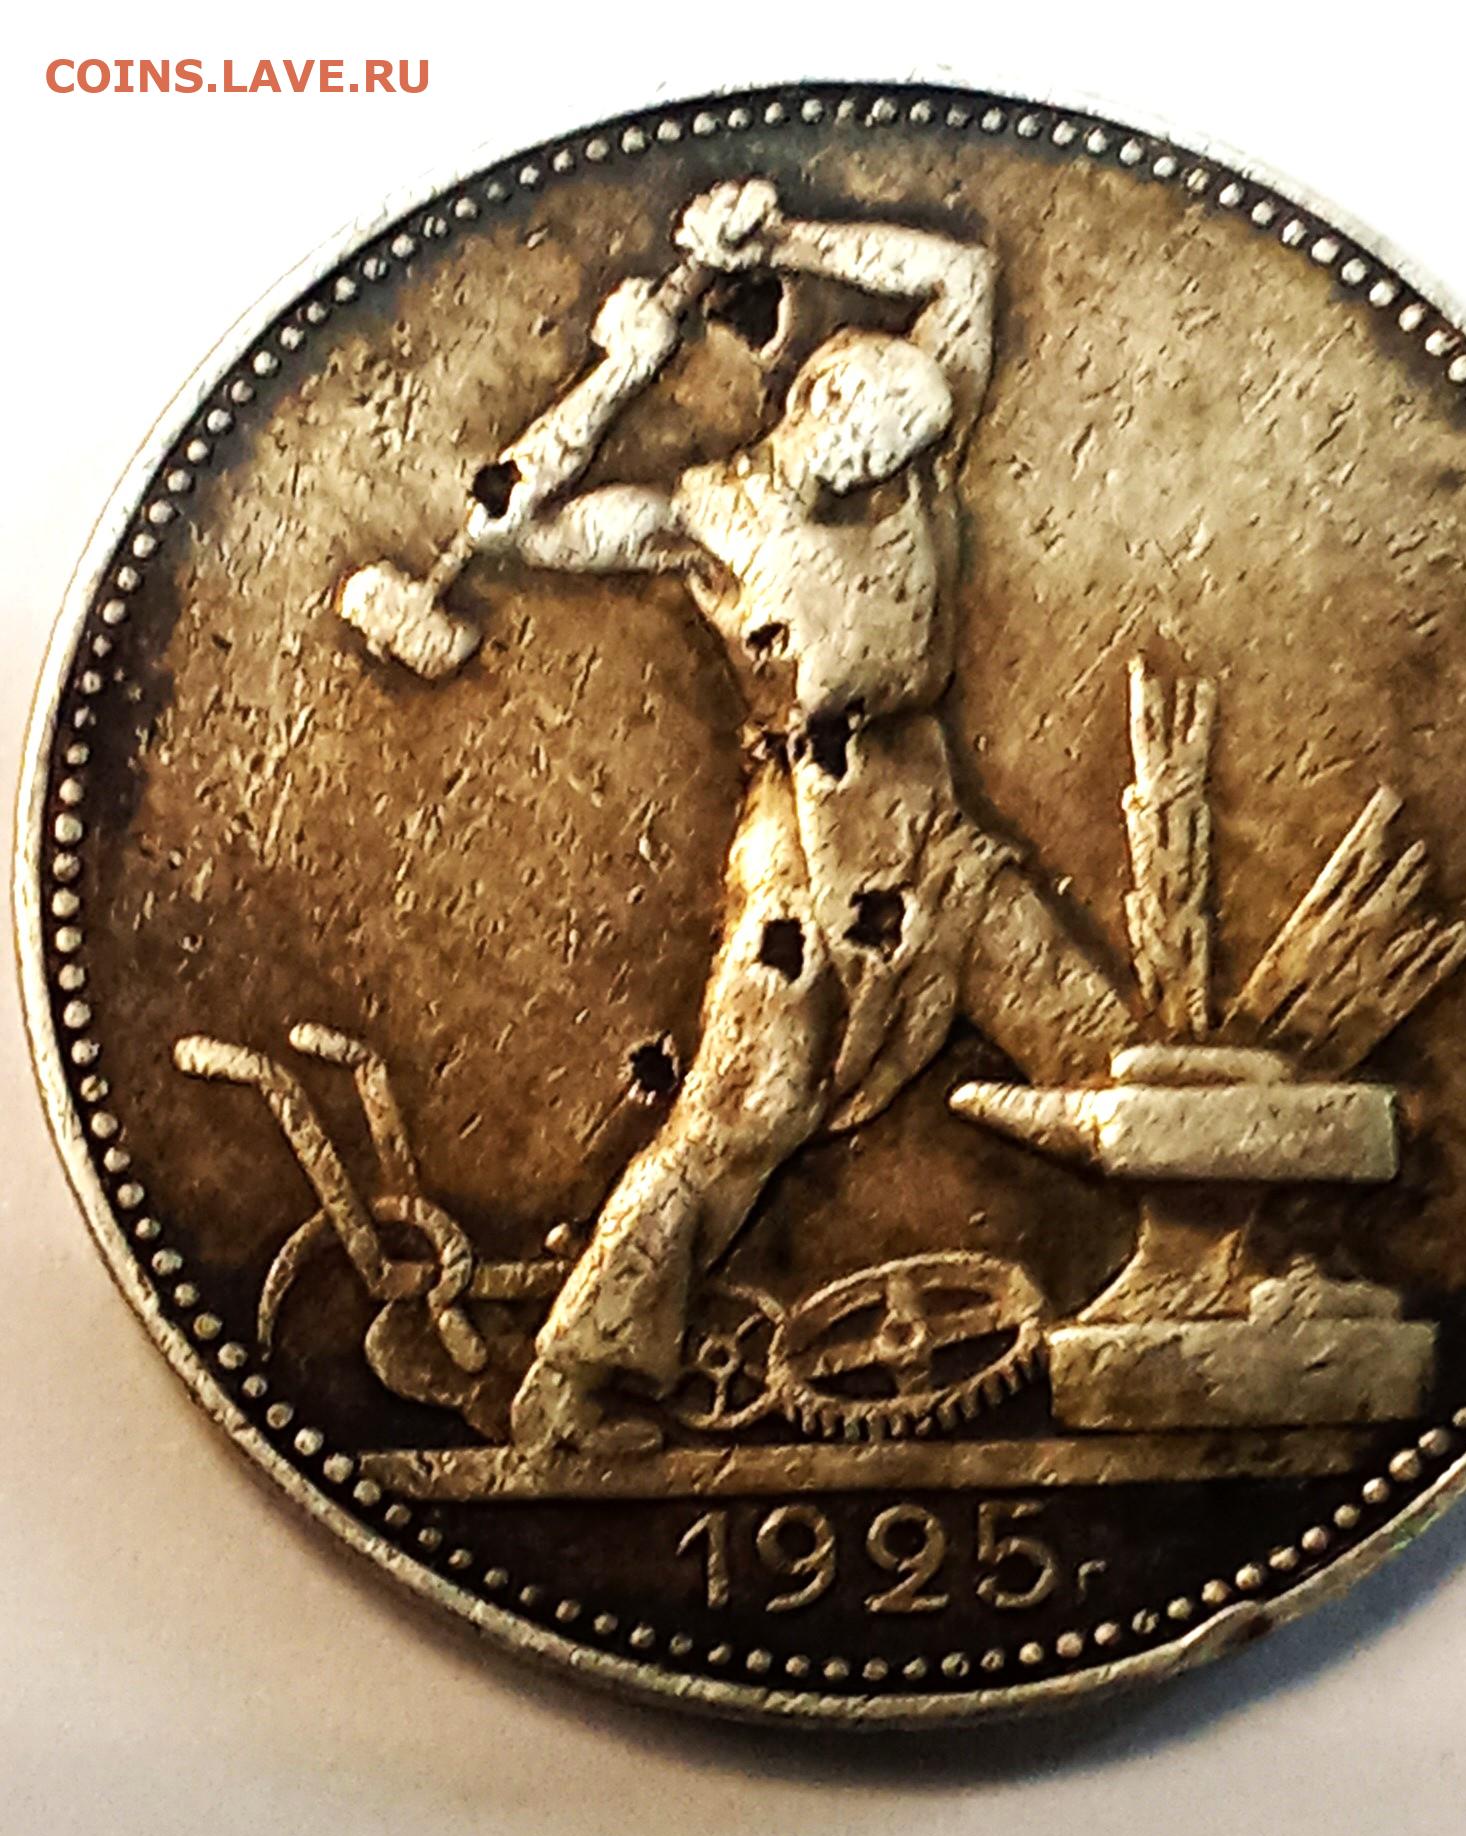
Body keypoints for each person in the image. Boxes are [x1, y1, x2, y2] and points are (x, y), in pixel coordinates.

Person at [356, 179, 1141, 1453]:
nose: (888, 475)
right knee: (744, 1105)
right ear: (813, 402)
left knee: (1097, 1045)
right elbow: (526, 523)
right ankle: (568, 1383)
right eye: (868, 448)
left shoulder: (918, 445)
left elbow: (962, 276)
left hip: (930, 826)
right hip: (807, 852)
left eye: (904, 455)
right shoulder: (704, 517)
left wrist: (780, 240)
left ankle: (1224, 1273)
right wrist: (621, 372)